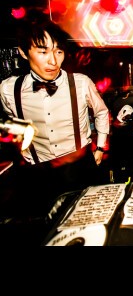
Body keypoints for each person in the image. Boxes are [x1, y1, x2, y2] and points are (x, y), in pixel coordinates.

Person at [0, 16, 110, 215]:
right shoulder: (8, 89)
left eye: (58, 52)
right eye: (43, 52)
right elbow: (13, 124)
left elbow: (101, 112)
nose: (53, 61)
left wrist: (100, 147)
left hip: (80, 168)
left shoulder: (81, 83)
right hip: (37, 174)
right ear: (23, 52)